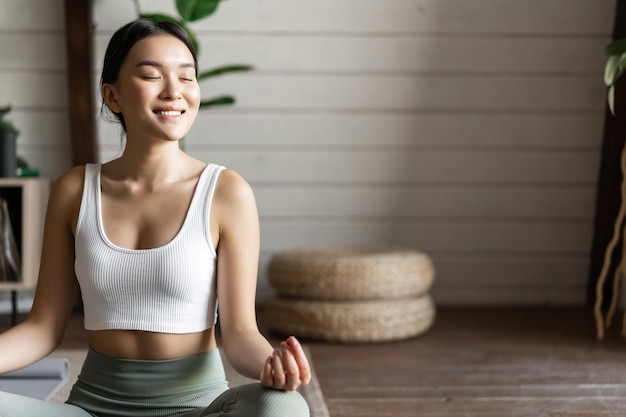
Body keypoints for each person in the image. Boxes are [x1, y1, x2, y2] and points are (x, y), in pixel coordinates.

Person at [0, 18, 311, 417]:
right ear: (112, 96)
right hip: (92, 409)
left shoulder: (226, 192)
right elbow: (42, 328)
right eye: (151, 75)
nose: (174, 92)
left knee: (284, 409)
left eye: (187, 77)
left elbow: (239, 333)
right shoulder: (74, 190)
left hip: (197, 409)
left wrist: (274, 367)